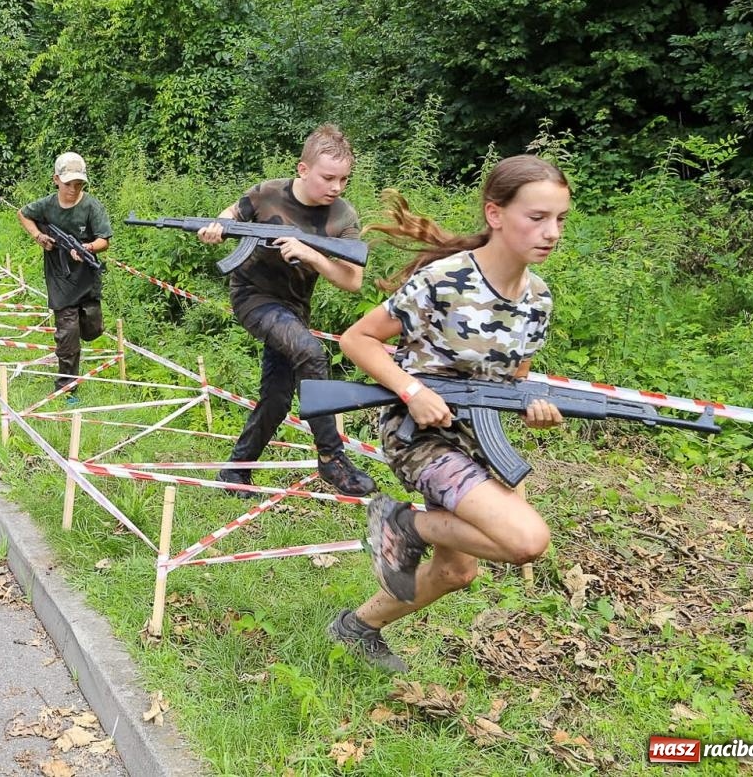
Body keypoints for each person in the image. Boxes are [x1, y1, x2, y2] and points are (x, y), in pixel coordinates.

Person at [326, 155, 570, 673]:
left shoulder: (539, 300)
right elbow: (358, 339)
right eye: (537, 217)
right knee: (528, 541)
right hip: (420, 435)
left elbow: (512, 382)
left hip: (479, 438)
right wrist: (412, 391)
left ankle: (355, 628)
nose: (551, 232)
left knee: (459, 572)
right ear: (496, 214)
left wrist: (533, 409)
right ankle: (406, 524)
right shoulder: (447, 279)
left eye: (560, 220)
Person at [200, 124, 374, 497]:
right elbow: (231, 213)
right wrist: (217, 226)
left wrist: (313, 256)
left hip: (294, 309)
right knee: (311, 353)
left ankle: (236, 471)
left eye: (344, 179)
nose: (337, 187)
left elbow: (353, 280)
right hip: (253, 297)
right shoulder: (267, 193)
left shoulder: (343, 216)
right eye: (328, 178)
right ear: (303, 169)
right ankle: (331, 457)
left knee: (278, 397)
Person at [18, 152, 111, 402]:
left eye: (79, 184)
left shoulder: (92, 206)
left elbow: (105, 240)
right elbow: (23, 214)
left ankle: (80, 330)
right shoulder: (47, 205)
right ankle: (67, 389)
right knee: (68, 336)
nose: (73, 189)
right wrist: (39, 236)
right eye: (69, 184)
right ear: (56, 179)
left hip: (87, 277)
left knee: (92, 328)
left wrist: (88, 248)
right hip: (59, 277)